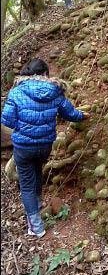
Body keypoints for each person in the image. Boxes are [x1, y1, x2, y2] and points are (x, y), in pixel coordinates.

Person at [1, 58, 88, 238]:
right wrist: (83, 116)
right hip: (45, 145)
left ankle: (36, 226)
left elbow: (7, 121)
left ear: (27, 73)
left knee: (26, 184)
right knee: (38, 170)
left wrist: (23, 123)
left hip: (23, 147)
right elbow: (70, 114)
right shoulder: (55, 91)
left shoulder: (16, 92)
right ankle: (38, 202)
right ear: (45, 74)